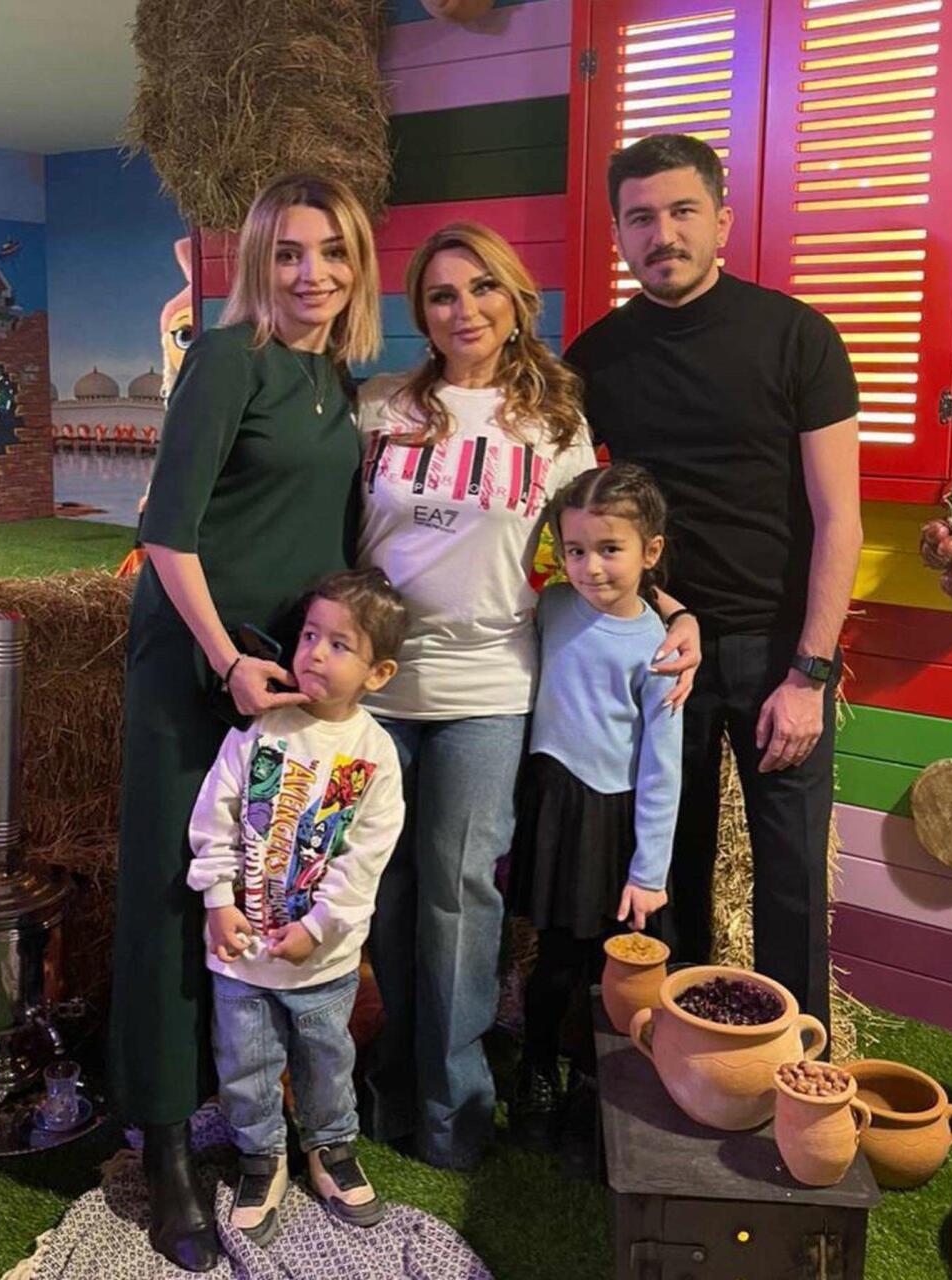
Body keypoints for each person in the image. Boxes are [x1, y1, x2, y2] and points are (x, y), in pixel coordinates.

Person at [355, 221, 701, 1170]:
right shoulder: (379, 406)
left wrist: (674, 610)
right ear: (420, 312)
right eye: (440, 294)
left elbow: (599, 544)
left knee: (461, 894)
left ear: (515, 302)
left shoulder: (553, 425)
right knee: (386, 890)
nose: (462, 310)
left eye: (482, 289)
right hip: (377, 689)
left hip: (487, 687)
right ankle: (388, 1086)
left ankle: (454, 1111)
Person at [108, 172, 382, 1272]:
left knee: (262, 888)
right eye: (289, 252)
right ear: (259, 261)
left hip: (288, 676)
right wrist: (225, 658)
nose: (312, 273)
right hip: (199, 666)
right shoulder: (227, 359)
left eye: (334, 252)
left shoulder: (335, 377)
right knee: (175, 893)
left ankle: (252, 1109)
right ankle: (166, 1147)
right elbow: (167, 534)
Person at [565, 133, 862, 1041]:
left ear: (722, 221)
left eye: (682, 210)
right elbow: (570, 509)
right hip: (660, 649)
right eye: (639, 218)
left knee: (789, 878)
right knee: (668, 864)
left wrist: (809, 674)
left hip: (779, 651)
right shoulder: (596, 357)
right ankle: (680, 1054)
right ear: (619, 234)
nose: (662, 233)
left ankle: (797, 1060)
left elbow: (838, 520)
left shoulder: (797, 336)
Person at [187, 569, 407, 1244]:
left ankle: (330, 1147)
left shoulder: (373, 754)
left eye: (340, 645)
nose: (314, 653)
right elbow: (216, 815)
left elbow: (364, 862)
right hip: (241, 954)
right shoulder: (260, 727)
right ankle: (261, 1156)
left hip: (324, 963)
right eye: (310, 635)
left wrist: (318, 928)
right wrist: (217, 901)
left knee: (325, 1060)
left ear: (378, 673)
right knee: (245, 1065)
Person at [507, 464, 682, 1165]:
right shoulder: (549, 607)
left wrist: (649, 870)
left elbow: (662, 767)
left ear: (650, 551)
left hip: (610, 820)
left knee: (606, 967)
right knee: (551, 957)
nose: (590, 567)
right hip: (550, 804)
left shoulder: (661, 649)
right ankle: (535, 1069)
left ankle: (590, 1083)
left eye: (610, 549)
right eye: (575, 550)